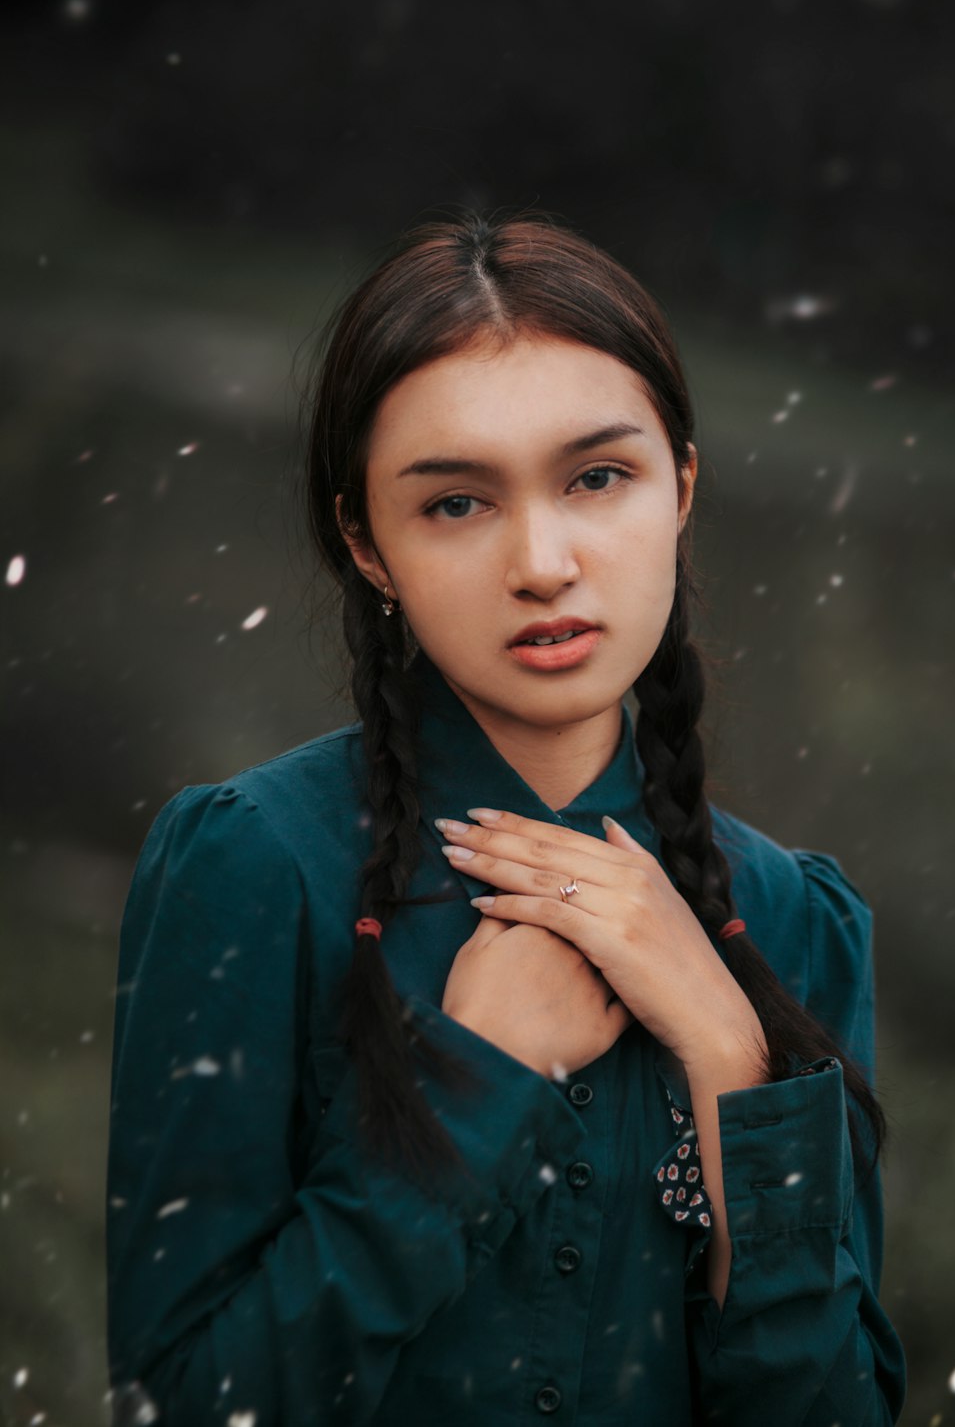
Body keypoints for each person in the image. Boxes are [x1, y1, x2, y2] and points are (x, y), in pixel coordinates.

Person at [105, 211, 907, 1426]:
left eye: (597, 478)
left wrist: (732, 1063)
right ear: (365, 544)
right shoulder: (257, 864)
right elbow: (193, 1402)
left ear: (681, 486)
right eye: (457, 504)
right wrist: (463, 1088)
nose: (542, 560)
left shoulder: (789, 917)